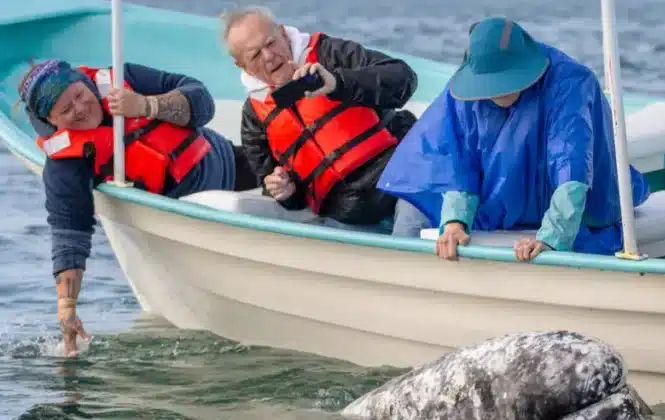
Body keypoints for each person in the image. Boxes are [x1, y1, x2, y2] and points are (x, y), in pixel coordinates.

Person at [18, 59, 260, 357]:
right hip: (191, 213)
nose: (80, 109)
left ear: (85, 82)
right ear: (51, 121)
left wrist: (147, 105)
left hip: (231, 164)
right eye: (65, 110)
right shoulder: (65, 164)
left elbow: (202, 101)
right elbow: (69, 232)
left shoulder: (122, 78)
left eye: (79, 95)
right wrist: (67, 308)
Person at [375, 17, 651, 262]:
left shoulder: (571, 84)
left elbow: (572, 165)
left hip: (566, 190)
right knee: (412, 209)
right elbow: (459, 161)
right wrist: (455, 222)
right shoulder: (468, 86)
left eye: (506, 81)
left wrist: (551, 237)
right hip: (499, 188)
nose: (498, 90)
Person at [221, 7, 420, 230]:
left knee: (408, 230)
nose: (268, 56)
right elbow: (275, 186)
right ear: (243, 66)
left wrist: (337, 83)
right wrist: (285, 192)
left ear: (284, 34)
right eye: (255, 55)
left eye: (271, 43)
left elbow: (404, 78)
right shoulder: (254, 119)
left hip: (400, 177)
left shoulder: (330, 54)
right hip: (347, 214)